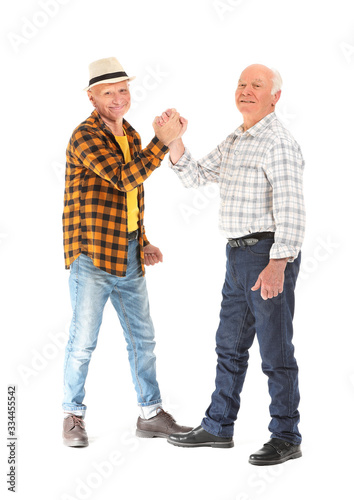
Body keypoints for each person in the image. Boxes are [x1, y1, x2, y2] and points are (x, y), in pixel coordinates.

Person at [162, 64, 306, 465]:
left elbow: (292, 209)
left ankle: (286, 435)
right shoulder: (237, 139)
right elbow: (196, 175)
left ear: (275, 96)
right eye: (241, 84)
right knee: (228, 346)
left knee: (275, 351)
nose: (245, 90)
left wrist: (278, 263)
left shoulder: (278, 142)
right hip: (237, 256)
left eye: (256, 85)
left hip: (267, 256)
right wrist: (175, 141)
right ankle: (218, 426)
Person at [62, 57, 192, 447]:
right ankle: (72, 415)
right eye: (107, 92)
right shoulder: (84, 136)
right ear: (92, 97)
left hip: (130, 255)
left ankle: (150, 414)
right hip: (93, 258)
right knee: (83, 342)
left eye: (122, 89)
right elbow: (123, 178)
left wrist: (144, 239)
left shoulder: (130, 135)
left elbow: (133, 197)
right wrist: (163, 141)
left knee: (143, 339)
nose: (117, 98)